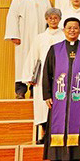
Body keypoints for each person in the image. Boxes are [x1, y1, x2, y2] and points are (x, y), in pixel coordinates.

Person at [42, 17, 80, 161]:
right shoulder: (55, 49)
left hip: (79, 98)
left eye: (75, 28)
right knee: (56, 128)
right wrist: (47, 95)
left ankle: (74, 158)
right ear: (64, 30)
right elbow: (47, 72)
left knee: (77, 130)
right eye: (69, 28)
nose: (72, 30)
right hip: (58, 99)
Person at [5, 0, 52, 98]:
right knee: (22, 62)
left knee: (37, 62)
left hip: (40, 38)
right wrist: (14, 35)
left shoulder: (45, 1)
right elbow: (12, 18)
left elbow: (50, 21)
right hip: (24, 38)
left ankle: (34, 91)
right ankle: (20, 91)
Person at [23, 8, 64, 141]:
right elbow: (33, 57)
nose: (53, 20)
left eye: (55, 17)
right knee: (43, 105)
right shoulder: (40, 38)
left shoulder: (64, 36)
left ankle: (57, 132)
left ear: (59, 19)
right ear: (46, 19)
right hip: (43, 76)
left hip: (61, 74)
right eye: (50, 18)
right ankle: (45, 133)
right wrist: (29, 76)